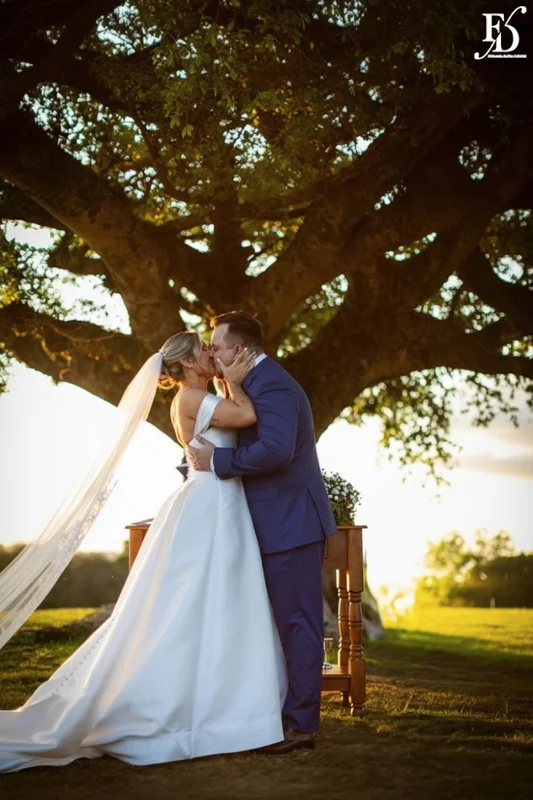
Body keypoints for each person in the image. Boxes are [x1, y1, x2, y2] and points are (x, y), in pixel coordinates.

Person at [0, 332, 287, 773]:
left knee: (215, 600)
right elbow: (247, 415)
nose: (211, 354)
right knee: (194, 601)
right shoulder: (193, 398)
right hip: (211, 502)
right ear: (187, 362)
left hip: (220, 500)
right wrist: (235, 379)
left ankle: (222, 705)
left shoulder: (197, 396)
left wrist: (226, 381)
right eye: (204, 350)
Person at [187, 311, 337, 754]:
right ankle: (271, 714)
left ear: (238, 349)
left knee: (298, 625)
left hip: (291, 524)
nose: (211, 353)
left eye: (217, 346)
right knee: (274, 625)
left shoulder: (273, 385)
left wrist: (217, 462)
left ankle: (301, 727)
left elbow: (275, 451)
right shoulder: (245, 385)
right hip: (269, 524)